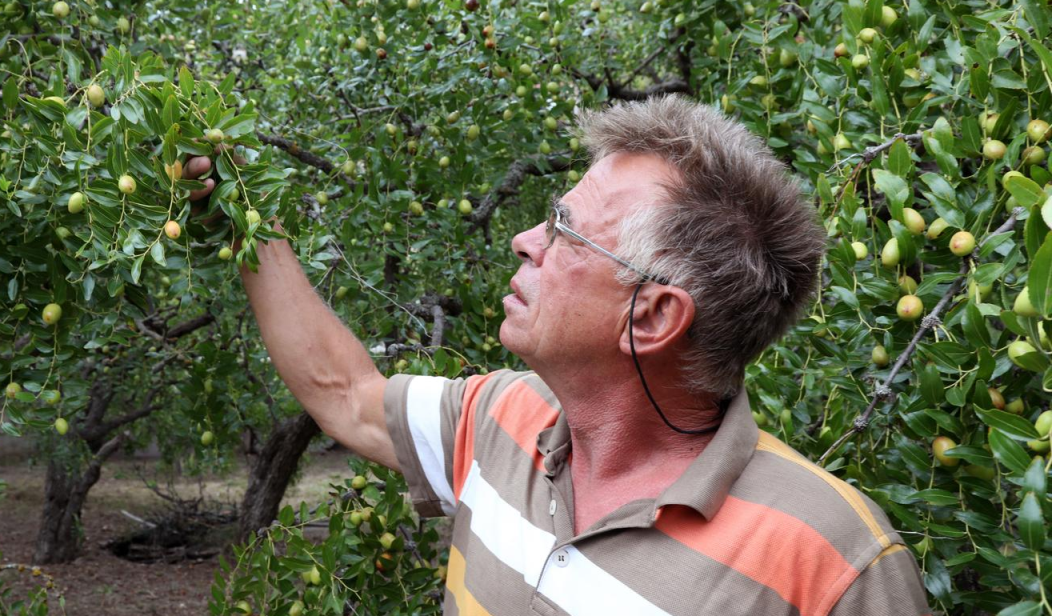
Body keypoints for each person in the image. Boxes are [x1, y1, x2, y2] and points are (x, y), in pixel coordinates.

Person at [183, 95, 933, 615]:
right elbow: (344, 391)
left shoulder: (832, 562)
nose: (525, 240)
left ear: (652, 316)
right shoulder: (502, 418)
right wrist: (247, 217)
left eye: (564, 230)